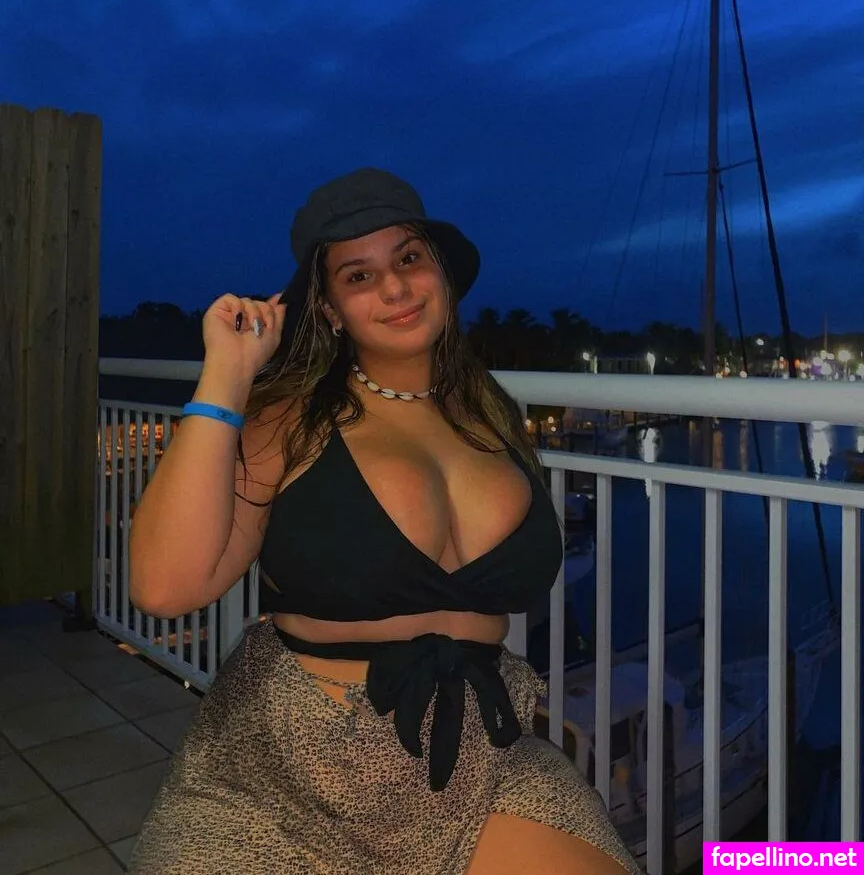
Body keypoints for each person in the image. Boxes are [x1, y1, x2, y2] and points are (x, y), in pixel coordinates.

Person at [127, 168, 640, 874]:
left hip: (477, 754)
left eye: (409, 258)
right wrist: (228, 375)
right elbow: (164, 588)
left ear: (441, 273)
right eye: (359, 275)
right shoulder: (289, 421)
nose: (395, 287)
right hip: (293, 761)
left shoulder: (494, 415)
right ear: (330, 308)